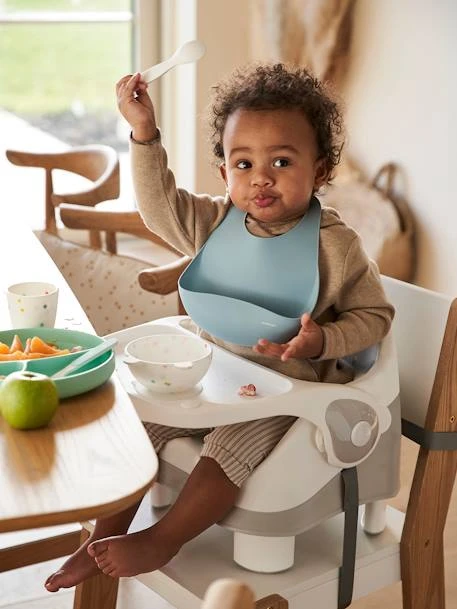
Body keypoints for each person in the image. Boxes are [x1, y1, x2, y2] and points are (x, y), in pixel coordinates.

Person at [45, 63, 394, 591]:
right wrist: (144, 134)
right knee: (139, 428)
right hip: (212, 372)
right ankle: (103, 537)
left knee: (229, 448)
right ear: (224, 171)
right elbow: (159, 209)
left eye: (282, 161)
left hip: (282, 391)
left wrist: (323, 340)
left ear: (320, 169)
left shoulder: (336, 246)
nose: (261, 177)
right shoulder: (215, 222)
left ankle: (164, 539)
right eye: (243, 162)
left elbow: (376, 317)